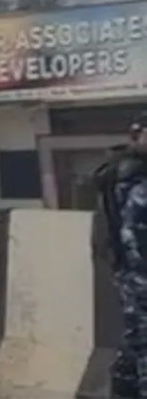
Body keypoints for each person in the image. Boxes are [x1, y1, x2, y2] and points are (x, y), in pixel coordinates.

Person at [99, 113, 147, 398]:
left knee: (134, 345)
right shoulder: (134, 180)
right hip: (139, 277)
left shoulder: (124, 172)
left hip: (130, 277)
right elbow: (134, 238)